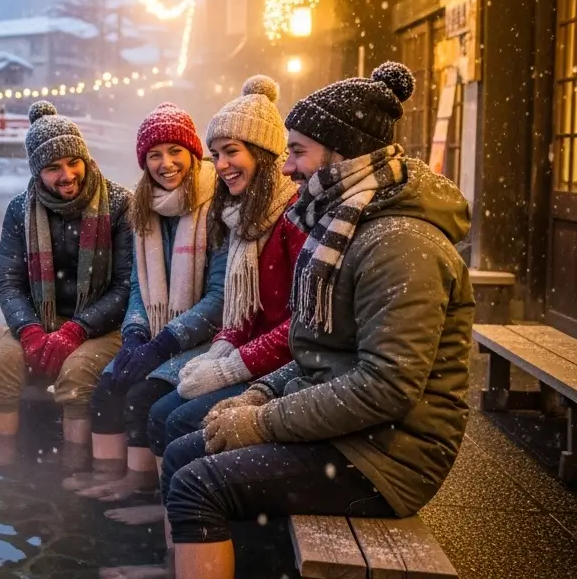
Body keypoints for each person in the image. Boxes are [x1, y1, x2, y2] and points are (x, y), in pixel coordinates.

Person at [158, 63, 475, 579]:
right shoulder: (347, 225)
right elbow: (318, 352)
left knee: (199, 484)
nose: (287, 168)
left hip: (388, 456)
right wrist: (260, 393)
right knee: (185, 450)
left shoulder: (398, 243)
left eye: (298, 151)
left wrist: (261, 421)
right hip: (355, 433)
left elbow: (386, 388)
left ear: (342, 153)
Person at [142, 77, 305, 465]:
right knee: (160, 410)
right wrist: (219, 351)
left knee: (179, 421)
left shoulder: (294, 217)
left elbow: (302, 324)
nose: (221, 165)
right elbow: (241, 312)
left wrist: (230, 368)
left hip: (288, 366)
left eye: (231, 151)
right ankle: (168, 511)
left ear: (264, 153)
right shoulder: (242, 215)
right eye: (215, 154)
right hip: (252, 353)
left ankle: (192, 512)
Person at [71, 103, 224, 500]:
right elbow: (139, 287)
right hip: (157, 333)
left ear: (193, 153)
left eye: (175, 151)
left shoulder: (218, 208)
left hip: (206, 340)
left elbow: (220, 297)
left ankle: (142, 490)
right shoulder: (144, 208)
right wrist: (137, 334)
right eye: (154, 155)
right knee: (107, 387)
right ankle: (109, 474)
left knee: (143, 396)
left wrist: (164, 343)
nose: (166, 163)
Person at [0, 101, 133, 460]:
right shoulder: (20, 210)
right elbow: (9, 283)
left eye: (73, 162)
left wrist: (76, 331)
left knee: (78, 375)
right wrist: (30, 331)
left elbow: (126, 285)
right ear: (36, 172)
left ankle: (71, 475)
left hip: (104, 326)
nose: (67, 175)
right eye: (52, 167)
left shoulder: (121, 205)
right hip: (39, 320)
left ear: (86, 158)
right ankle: (1, 470)